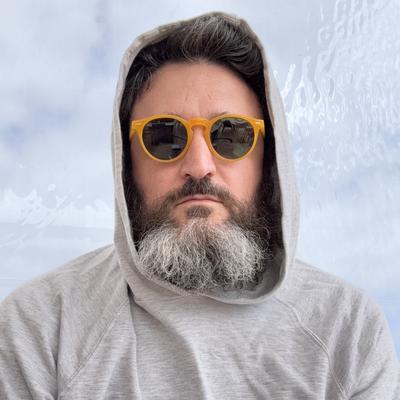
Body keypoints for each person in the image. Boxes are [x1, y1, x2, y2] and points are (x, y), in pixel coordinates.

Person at [0, 11, 398, 399]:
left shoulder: (348, 331)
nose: (199, 165)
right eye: (163, 137)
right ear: (126, 162)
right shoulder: (42, 326)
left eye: (231, 134)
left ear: (268, 159)